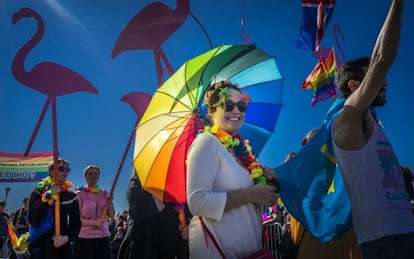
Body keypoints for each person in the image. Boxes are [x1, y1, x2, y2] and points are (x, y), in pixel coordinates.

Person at [331, 1, 414, 258]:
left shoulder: (371, 122)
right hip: (384, 242)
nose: (384, 83)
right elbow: (382, 58)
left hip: (405, 231)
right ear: (356, 85)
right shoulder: (347, 119)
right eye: (375, 78)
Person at [186, 80, 278, 258]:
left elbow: (247, 210)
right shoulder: (206, 143)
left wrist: (265, 184)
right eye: (228, 104)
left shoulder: (242, 152)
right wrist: (250, 194)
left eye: (241, 105)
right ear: (212, 111)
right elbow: (197, 202)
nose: (236, 110)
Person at [28, 158, 81, 259]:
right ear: (51, 171)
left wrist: (65, 238)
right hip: (41, 247)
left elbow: (76, 223)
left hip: (62, 248)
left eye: (67, 169)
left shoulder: (71, 196)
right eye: (61, 168)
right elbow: (33, 221)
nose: (65, 171)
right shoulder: (38, 192)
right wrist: (49, 196)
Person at [73, 164, 115, 259]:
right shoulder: (79, 194)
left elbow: (112, 215)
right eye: (90, 174)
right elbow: (76, 219)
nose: (93, 176)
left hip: (103, 237)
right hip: (84, 238)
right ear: (85, 177)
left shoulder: (105, 193)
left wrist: (110, 202)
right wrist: (95, 222)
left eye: (96, 173)